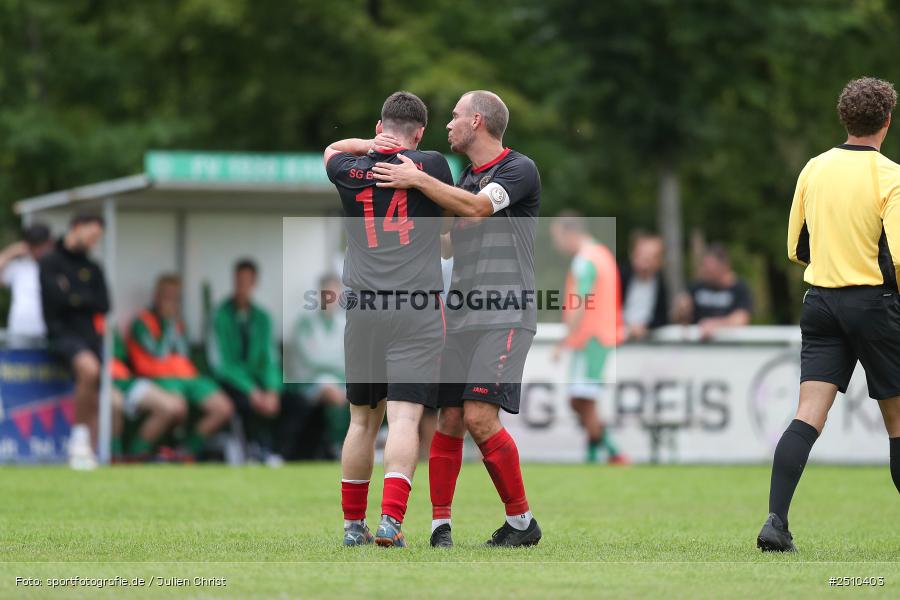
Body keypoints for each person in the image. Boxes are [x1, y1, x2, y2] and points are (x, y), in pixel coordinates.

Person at [374, 90, 543, 548]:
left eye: (454, 116)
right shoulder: (465, 178)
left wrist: (417, 179)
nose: (447, 124)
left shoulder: (518, 169)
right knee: (448, 419)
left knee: (479, 417)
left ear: (477, 121)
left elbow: (478, 208)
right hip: (461, 313)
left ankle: (522, 523)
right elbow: (448, 243)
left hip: (505, 313)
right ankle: (440, 527)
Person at [757, 77, 900, 552]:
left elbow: (795, 246)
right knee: (897, 422)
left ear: (845, 118)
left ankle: (776, 522)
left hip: (820, 302)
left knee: (807, 415)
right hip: (874, 306)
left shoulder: (814, 169)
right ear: (887, 121)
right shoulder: (890, 176)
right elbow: (899, 257)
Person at [324, 91, 453, 547]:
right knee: (403, 419)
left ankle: (352, 527)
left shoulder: (349, 168)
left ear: (380, 127)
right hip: (415, 307)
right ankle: (390, 523)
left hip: (363, 308)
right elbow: (447, 227)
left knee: (362, 421)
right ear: (419, 134)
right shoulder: (430, 165)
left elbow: (330, 150)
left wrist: (366, 145)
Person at [550, 212, 628, 465]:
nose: (557, 245)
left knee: (583, 400)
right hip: (601, 336)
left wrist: (564, 341)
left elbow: (580, 302)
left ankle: (609, 454)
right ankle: (604, 452)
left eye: (557, 238)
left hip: (590, 338)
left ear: (570, 233)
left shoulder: (584, 260)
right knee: (581, 400)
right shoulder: (602, 254)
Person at [127, 274, 233, 458]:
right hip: (158, 377)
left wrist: (174, 325)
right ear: (157, 296)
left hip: (187, 377)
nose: (171, 301)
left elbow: (184, 354)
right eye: (167, 296)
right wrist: (169, 324)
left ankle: (186, 452)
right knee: (176, 407)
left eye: (175, 297)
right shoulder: (142, 322)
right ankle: (135, 455)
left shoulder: (179, 323)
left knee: (223, 408)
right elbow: (159, 353)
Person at [39, 213, 109, 470]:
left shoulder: (93, 267)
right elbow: (55, 300)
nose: (93, 242)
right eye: (91, 235)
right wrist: (80, 298)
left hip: (89, 336)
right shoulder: (51, 261)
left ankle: (89, 453)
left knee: (95, 389)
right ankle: (78, 440)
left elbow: (104, 303)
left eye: (97, 238)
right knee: (89, 370)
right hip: (62, 335)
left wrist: (73, 295)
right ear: (77, 228)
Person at [207, 259, 284, 465]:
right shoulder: (220, 315)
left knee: (292, 402)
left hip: (256, 380)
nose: (242, 285)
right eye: (239, 280)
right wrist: (251, 390)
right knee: (246, 401)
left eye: (247, 281)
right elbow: (221, 364)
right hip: (231, 382)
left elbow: (270, 359)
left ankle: (277, 451)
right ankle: (251, 449)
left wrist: (272, 390)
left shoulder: (263, 318)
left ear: (254, 283)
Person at [285, 273, 349, 460]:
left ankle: (347, 446)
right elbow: (311, 360)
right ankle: (337, 447)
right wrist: (336, 364)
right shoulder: (305, 324)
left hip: (340, 381)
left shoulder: (345, 324)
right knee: (332, 393)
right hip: (309, 382)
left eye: (334, 293)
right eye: (326, 293)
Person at [111, 331, 187, 459]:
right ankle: (114, 457)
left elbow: (122, 354)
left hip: (126, 379)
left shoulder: (110, 327)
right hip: (102, 382)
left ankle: (136, 456)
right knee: (115, 404)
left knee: (171, 408)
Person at [673, 244, 752, 339]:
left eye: (711, 269)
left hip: (728, 344)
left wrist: (716, 325)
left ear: (724, 266)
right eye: (705, 267)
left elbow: (741, 318)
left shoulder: (739, 288)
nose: (705, 271)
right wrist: (681, 311)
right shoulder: (696, 287)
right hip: (698, 344)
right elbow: (680, 319)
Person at [0, 223, 53, 341]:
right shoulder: (19, 266)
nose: (38, 251)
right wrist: (11, 252)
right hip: (20, 330)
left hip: (50, 331)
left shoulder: (55, 265)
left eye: (41, 246)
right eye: (34, 246)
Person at [619, 230, 668, 340]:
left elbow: (662, 318)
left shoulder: (661, 284)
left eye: (652, 257)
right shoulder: (620, 277)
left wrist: (645, 328)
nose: (645, 262)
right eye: (641, 255)